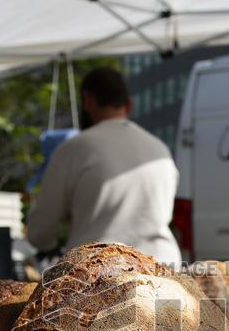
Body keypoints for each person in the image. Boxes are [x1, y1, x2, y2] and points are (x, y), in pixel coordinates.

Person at [24, 67, 181, 265]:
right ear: (129, 104)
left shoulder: (74, 149)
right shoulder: (160, 149)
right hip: (163, 267)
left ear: (88, 101)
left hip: (98, 272)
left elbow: (40, 232)